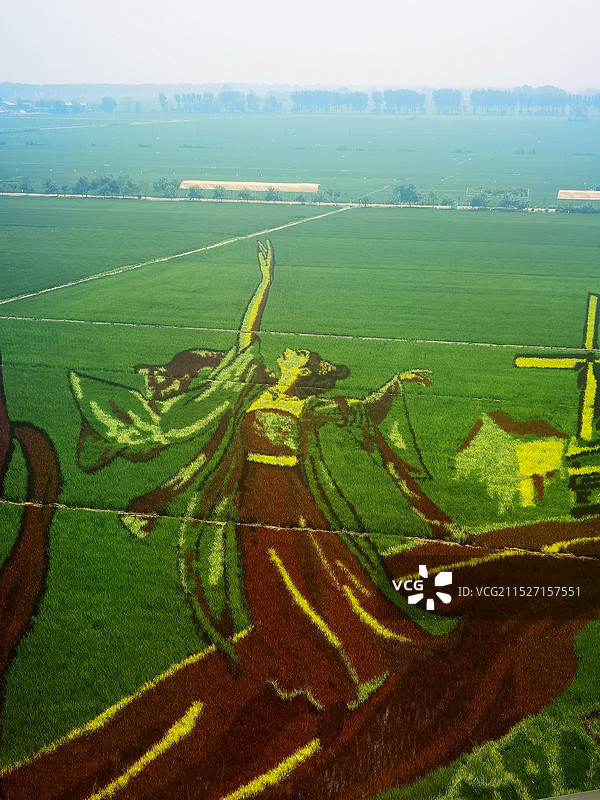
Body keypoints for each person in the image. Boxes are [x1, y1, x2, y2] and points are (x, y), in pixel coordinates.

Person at [69, 239, 456, 706]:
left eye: (297, 353)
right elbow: (247, 333)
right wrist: (265, 282)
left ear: (306, 370)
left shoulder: (310, 405)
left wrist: (395, 383)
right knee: (264, 589)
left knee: (320, 580)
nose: (288, 350)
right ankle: (294, 671)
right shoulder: (255, 383)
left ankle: (354, 664)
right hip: (249, 500)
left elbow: (368, 412)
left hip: (292, 504)